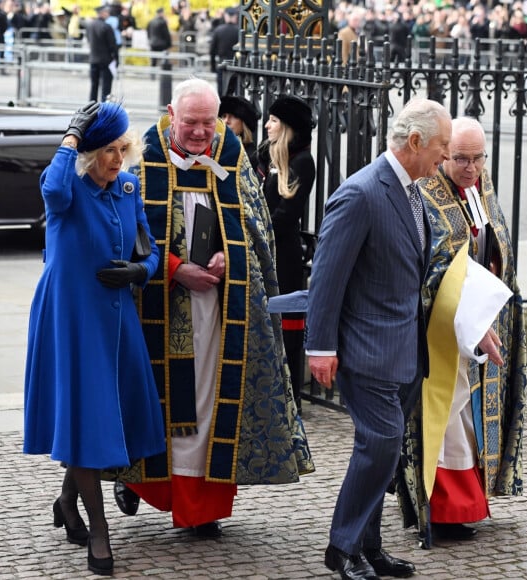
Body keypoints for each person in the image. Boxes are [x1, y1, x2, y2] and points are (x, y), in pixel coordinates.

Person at [112, 78, 315, 536]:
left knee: (209, 403)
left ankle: (201, 509)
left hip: (219, 309)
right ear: (170, 113)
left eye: (209, 122)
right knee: (159, 401)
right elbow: (120, 235)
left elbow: (254, 227)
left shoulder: (231, 154)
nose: (203, 133)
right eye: (192, 123)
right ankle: (140, 481)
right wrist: (173, 267)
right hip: (155, 309)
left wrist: (229, 255)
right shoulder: (143, 158)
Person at [305, 97, 452, 580]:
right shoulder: (361, 193)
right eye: (442, 147)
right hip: (365, 350)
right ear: (414, 142)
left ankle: (369, 547)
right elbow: (327, 278)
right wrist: (320, 346)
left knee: (383, 451)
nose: (445, 159)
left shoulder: (413, 191)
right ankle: (342, 546)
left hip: (405, 351)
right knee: (381, 444)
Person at [23, 100, 166, 577]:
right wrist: (69, 137)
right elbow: (53, 188)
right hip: (71, 318)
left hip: (117, 319)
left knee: (100, 420)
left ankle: (67, 501)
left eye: (122, 148)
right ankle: (98, 529)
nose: (117, 159)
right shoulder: (66, 192)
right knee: (87, 419)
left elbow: (152, 251)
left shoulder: (128, 187)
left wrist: (140, 270)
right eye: (107, 150)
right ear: (87, 153)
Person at [396, 117, 527, 550]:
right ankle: (444, 511)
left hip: (485, 324)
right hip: (442, 330)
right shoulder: (427, 194)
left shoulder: (482, 187)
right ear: (444, 153)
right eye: (461, 159)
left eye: (478, 158)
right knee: (446, 422)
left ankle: (470, 502)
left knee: (471, 421)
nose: (471, 168)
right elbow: (430, 266)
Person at [258, 95, 315, 413]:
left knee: (288, 327)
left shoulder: (303, 162)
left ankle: (291, 396)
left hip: (285, 256)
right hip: (267, 250)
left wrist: (255, 228)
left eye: (274, 120)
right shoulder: (270, 155)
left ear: (289, 127)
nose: (267, 125)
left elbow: (284, 214)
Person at [218, 94, 259, 173]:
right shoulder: (213, 148)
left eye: (233, 116)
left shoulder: (251, 156)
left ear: (244, 124)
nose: (226, 121)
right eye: (224, 116)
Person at [86, 4, 118, 102]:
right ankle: (104, 109)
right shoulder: (107, 27)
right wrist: (116, 59)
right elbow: (112, 45)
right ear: (102, 13)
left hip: (93, 59)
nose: (108, 14)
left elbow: (88, 40)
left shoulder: (90, 25)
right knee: (106, 88)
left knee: (94, 86)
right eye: (107, 12)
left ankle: (91, 108)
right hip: (106, 61)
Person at [209, 6, 239, 95]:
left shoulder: (218, 30)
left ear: (225, 16)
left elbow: (212, 51)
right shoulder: (239, 31)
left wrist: (213, 66)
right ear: (235, 16)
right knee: (236, 91)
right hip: (236, 64)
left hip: (222, 64)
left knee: (222, 90)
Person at [147, 7, 172, 72]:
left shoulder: (151, 21)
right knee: (163, 61)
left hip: (153, 43)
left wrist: (150, 40)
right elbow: (166, 34)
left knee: (153, 60)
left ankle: (152, 75)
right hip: (162, 44)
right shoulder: (163, 22)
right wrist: (169, 43)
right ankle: (163, 75)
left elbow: (148, 32)